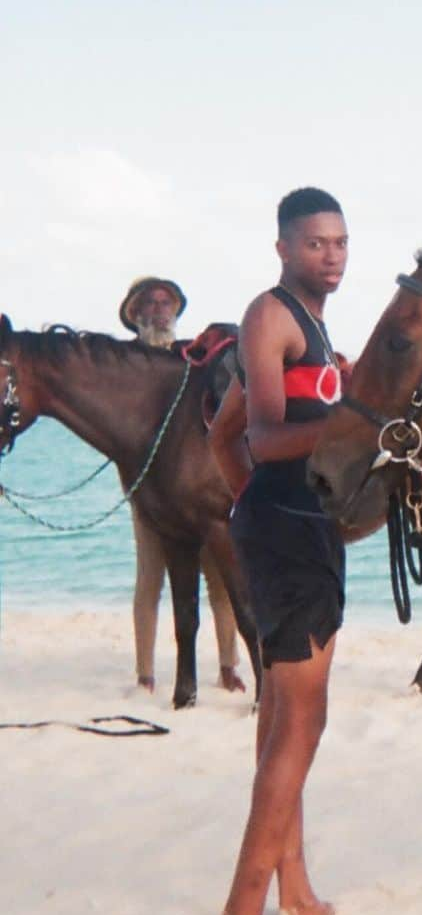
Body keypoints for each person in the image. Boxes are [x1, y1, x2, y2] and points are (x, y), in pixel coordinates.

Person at [205, 186, 348, 915]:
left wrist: (242, 506)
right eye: (316, 243)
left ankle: (292, 889)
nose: (332, 255)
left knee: (281, 720)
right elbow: (261, 432)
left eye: (340, 243)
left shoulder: (315, 327)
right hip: (290, 541)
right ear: (285, 248)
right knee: (300, 723)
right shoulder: (270, 316)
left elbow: (223, 432)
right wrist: (354, 428)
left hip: (298, 532)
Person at [118, 276, 243, 693]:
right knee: (150, 581)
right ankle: (145, 674)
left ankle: (229, 667)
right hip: (147, 493)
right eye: (150, 304)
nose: (159, 310)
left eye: (166, 302)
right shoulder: (122, 367)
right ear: (134, 314)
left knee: (220, 580)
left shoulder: (190, 357)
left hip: (199, 489)